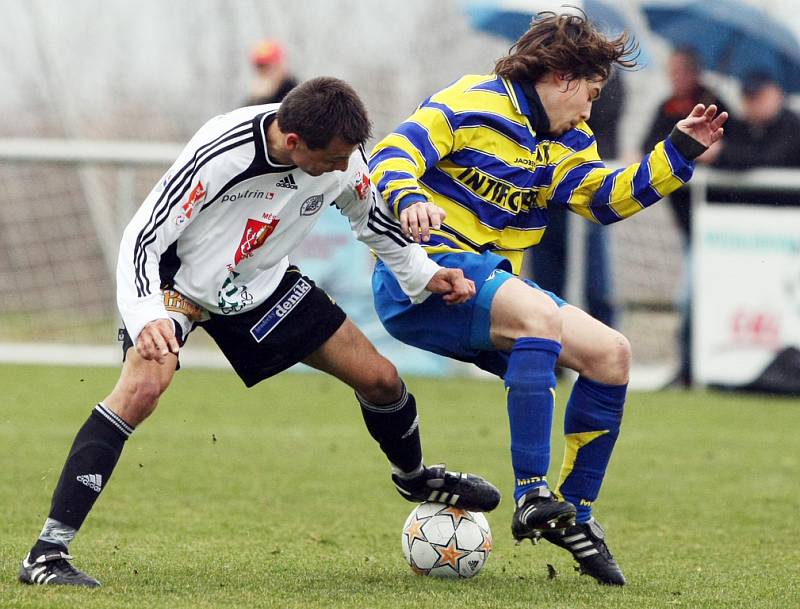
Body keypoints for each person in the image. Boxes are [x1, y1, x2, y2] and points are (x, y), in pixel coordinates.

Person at [18, 77, 501, 588]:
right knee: (141, 389)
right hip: (177, 285)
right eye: (335, 159)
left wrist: (424, 275)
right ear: (294, 143)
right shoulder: (220, 151)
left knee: (381, 380)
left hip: (262, 285)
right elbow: (143, 236)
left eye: (349, 157)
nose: (345, 168)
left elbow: (372, 221)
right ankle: (48, 553)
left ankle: (413, 477)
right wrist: (146, 315)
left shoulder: (344, 157)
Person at [369, 12, 726, 585]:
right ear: (561, 76)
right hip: (425, 278)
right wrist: (410, 197)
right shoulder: (472, 100)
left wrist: (677, 152)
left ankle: (576, 514)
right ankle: (531, 492)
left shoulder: (568, 140)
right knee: (539, 316)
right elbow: (390, 153)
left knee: (613, 354)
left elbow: (606, 200)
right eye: (588, 93)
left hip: (490, 285)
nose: (589, 110)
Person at [641, 48, 729, 387]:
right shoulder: (667, 109)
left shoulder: (715, 105)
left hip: (715, 227)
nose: (675, 79)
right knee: (689, 296)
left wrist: (715, 155)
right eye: (671, 72)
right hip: (686, 223)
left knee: (691, 297)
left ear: (694, 72)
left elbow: (734, 149)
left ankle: (693, 369)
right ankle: (688, 369)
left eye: (681, 72)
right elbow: (649, 145)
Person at [528, 71, 625, 328]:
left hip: (586, 187)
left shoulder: (610, 80)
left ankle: (599, 338)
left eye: (594, 96)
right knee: (545, 277)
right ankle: (547, 343)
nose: (586, 113)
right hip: (547, 196)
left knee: (594, 277)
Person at [245, 39, 299, 106]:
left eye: (268, 67)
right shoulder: (256, 96)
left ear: (280, 66)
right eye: (260, 67)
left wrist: (265, 99)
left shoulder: (296, 96)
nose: (264, 72)